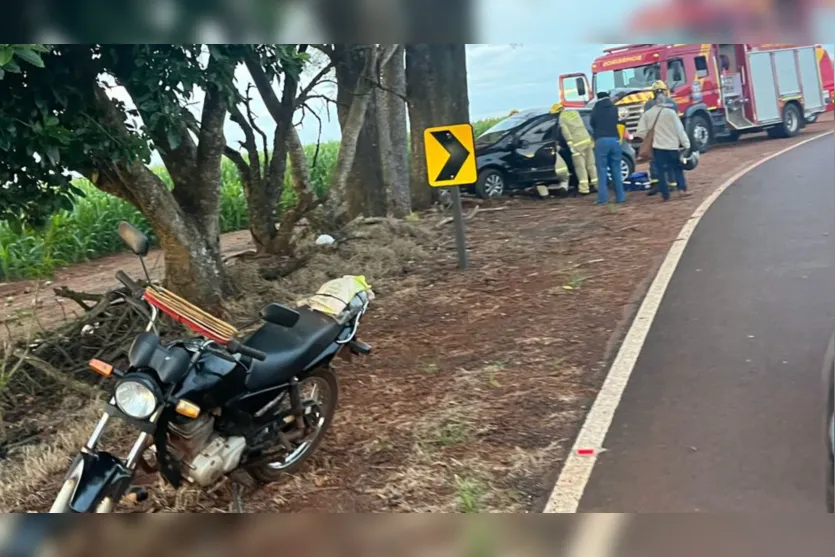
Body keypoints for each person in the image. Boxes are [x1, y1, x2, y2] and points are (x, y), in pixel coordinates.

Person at [634, 81, 692, 201]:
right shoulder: (671, 112)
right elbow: (679, 129)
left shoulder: (648, 112)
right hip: (671, 146)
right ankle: (681, 190)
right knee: (677, 168)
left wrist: (648, 139)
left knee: (660, 171)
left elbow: (640, 131)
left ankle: (665, 195)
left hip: (657, 147)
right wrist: (686, 144)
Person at [643, 80, 680, 196]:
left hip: (655, 137)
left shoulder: (648, 104)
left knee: (654, 161)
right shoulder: (672, 103)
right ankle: (673, 183)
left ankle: (656, 184)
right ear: (665, 91)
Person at [552, 102, 597, 196]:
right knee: (591, 165)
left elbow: (566, 132)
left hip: (577, 144)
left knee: (580, 167)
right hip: (587, 140)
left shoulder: (561, 118)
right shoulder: (575, 112)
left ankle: (584, 189)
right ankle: (597, 185)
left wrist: (570, 145)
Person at [589, 91, 626, 204]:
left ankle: (603, 199)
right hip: (614, 139)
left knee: (602, 170)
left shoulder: (595, 110)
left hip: (601, 140)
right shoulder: (614, 108)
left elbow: (592, 123)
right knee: (616, 169)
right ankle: (620, 197)